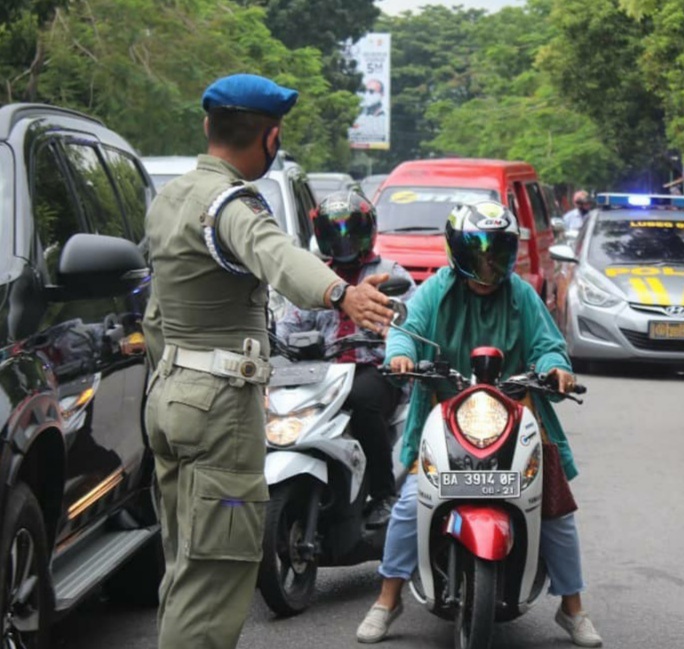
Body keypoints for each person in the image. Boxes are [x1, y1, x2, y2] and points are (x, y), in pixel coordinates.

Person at [143, 73, 394, 649]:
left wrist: (171, 379)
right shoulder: (228, 203)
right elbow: (275, 252)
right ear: (272, 138)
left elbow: (156, 315)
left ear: (209, 127)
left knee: (185, 563)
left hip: (169, 397)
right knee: (216, 572)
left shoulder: (170, 199)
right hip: (216, 410)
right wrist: (343, 293)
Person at [355, 200, 603, 647]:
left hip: (514, 409)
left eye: (499, 253)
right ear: (458, 253)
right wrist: (401, 354)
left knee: (555, 508)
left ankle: (572, 608)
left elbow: (549, 345)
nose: (490, 265)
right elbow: (406, 330)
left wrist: (555, 368)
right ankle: (387, 600)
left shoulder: (521, 293)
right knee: (413, 500)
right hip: (446, 412)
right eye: (479, 253)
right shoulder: (436, 289)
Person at [276, 190, 416, 528]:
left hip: (377, 370)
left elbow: (411, 322)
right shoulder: (316, 277)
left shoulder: (390, 273)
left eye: (350, 230)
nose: (344, 240)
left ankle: (384, 494)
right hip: (323, 373)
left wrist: (393, 336)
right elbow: (288, 325)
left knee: (362, 399)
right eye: (334, 232)